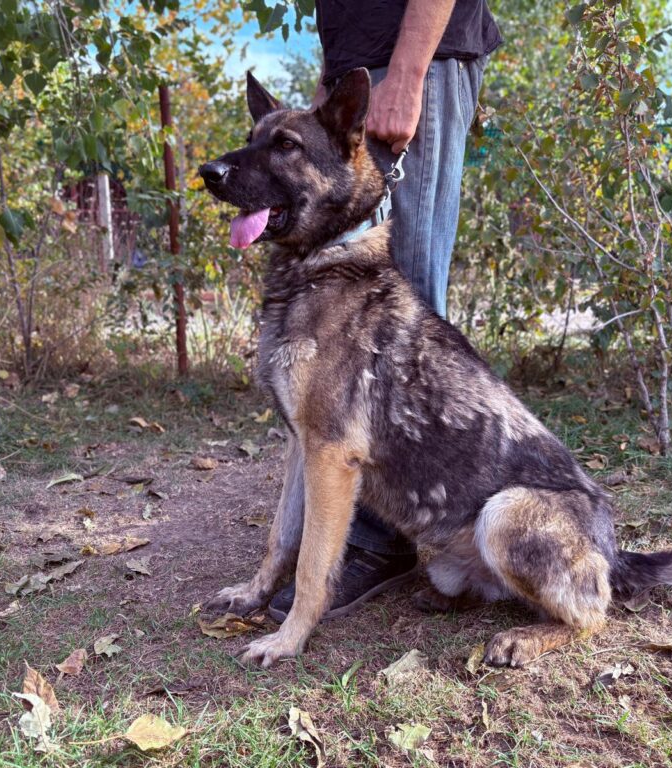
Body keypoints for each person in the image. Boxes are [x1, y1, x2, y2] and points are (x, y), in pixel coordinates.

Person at [268, 0, 502, 622]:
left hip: (415, 57)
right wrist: (326, 94)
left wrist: (408, 72)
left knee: (405, 307)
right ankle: (336, 529)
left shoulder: (409, 72)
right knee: (343, 341)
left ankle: (385, 533)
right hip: (361, 65)